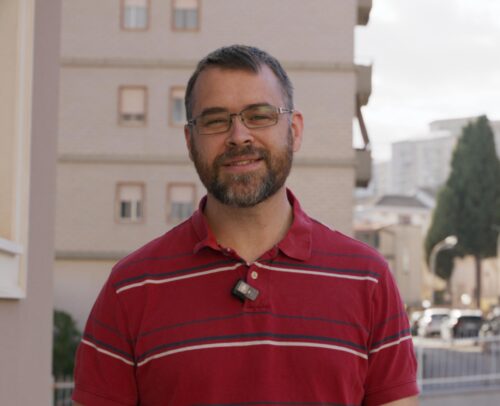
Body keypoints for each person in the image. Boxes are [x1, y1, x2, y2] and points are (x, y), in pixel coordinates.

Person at [73, 45, 419, 406]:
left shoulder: (368, 279)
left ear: (294, 130)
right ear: (190, 142)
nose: (239, 136)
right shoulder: (130, 288)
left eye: (259, 116)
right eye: (215, 121)